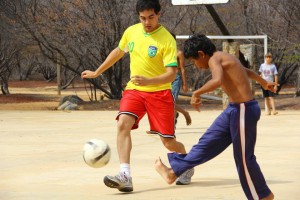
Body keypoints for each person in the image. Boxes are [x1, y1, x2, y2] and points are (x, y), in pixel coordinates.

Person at [81, 0, 193, 193]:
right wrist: (97, 72)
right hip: (134, 90)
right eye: (142, 18)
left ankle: (187, 164)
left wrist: (149, 81)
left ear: (158, 14)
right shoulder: (131, 31)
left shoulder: (166, 39)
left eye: (151, 17)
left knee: (168, 141)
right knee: (122, 123)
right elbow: (118, 52)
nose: (147, 22)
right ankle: (125, 175)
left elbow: (171, 74)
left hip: (159, 93)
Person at [155, 34, 275, 200]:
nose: (196, 66)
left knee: (244, 159)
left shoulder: (215, 59)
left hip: (243, 111)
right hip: (234, 110)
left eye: (194, 61)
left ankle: (262, 196)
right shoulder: (226, 57)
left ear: (201, 54)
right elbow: (244, 70)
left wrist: (197, 93)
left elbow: (217, 80)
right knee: (207, 142)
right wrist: (263, 82)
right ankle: (173, 172)